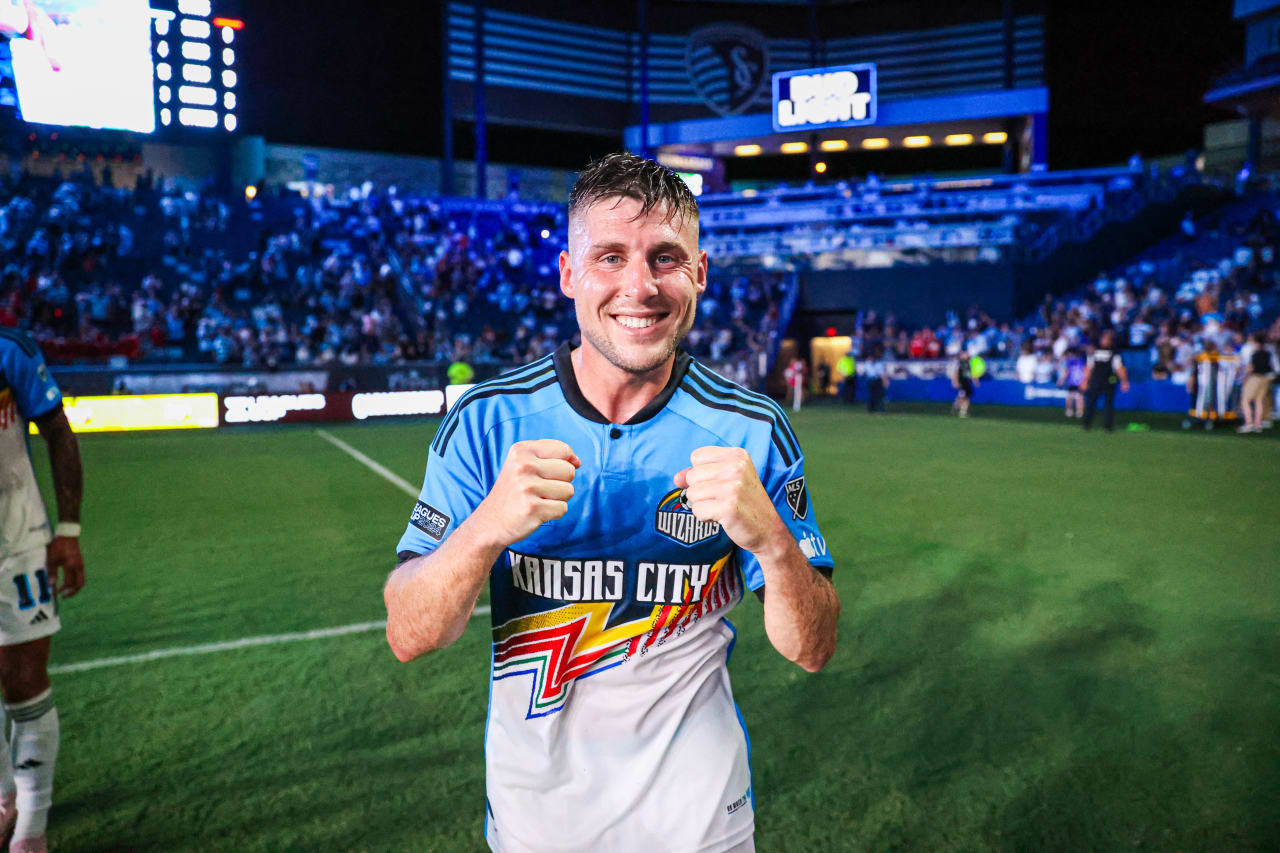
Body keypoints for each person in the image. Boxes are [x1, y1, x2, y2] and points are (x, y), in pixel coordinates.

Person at [383, 154, 839, 853]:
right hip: (537, 826)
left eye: (665, 258)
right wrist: (485, 531)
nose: (640, 285)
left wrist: (774, 542)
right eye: (611, 256)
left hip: (701, 826)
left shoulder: (751, 430)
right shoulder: (485, 420)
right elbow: (409, 634)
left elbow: (812, 649)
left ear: (700, 273)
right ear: (568, 273)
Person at [0, 327, 85, 853]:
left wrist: (69, 533)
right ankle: (5, 797)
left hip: (17, 545)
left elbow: (59, 431)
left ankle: (30, 833)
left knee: (24, 681)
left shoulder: (9, 350)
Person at [1081, 329, 1130, 432]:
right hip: (1095, 380)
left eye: (1107, 339)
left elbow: (1120, 368)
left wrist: (1124, 381)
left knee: (1108, 405)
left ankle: (1108, 426)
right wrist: (1085, 381)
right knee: (1091, 403)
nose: (1104, 341)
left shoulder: (1114, 354)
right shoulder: (1094, 352)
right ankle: (1087, 424)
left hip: (1108, 381)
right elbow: (1089, 368)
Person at [1238, 332, 1275, 433]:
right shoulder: (1268, 352)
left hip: (1255, 377)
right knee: (1259, 400)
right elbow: (1272, 366)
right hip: (1265, 378)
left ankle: (1249, 423)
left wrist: (1244, 378)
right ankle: (1258, 424)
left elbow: (1251, 368)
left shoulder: (1255, 353)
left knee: (1245, 400)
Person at [947, 350, 976, 418]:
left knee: (965, 397)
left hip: (967, 383)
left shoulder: (968, 363)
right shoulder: (959, 363)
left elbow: (970, 373)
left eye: (967, 354)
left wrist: (974, 380)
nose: (967, 355)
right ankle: (962, 412)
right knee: (963, 397)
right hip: (961, 383)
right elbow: (956, 373)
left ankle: (957, 407)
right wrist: (955, 381)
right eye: (965, 354)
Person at [863, 344, 889, 413]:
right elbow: (881, 373)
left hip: (873, 380)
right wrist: (885, 381)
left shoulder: (874, 363)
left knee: (875, 395)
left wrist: (884, 380)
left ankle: (875, 409)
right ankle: (875, 409)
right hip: (873, 380)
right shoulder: (873, 363)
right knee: (875, 396)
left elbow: (881, 373)